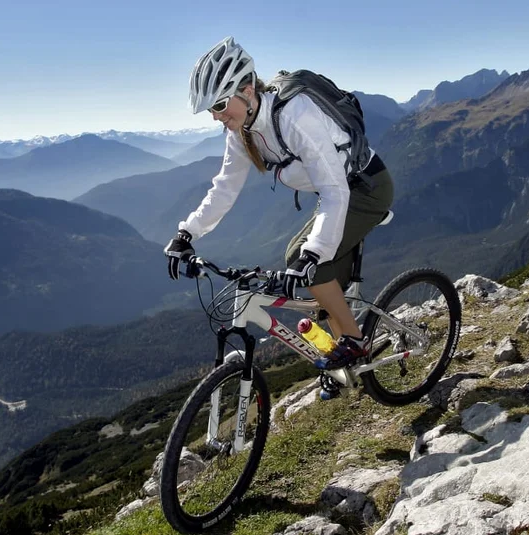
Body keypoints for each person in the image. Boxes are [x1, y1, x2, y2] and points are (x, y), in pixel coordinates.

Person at [164, 36, 394, 370]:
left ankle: (355, 343)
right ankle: (348, 359)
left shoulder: (295, 115)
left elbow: (335, 191)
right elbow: (224, 188)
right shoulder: (241, 131)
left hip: (365, 188)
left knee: (309, 262)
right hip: (336, 191)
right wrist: (187, 233)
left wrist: (313, 254)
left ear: (245, 91)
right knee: (310, 271)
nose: (215, 117)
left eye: (218, 105)